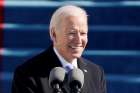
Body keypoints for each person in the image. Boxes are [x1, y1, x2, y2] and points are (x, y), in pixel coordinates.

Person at [12, 5, 107, 93]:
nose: (78, 40)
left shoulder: (96, 73)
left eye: (83, 33)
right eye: (72, 33)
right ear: (54, 34)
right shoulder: (27, 74)